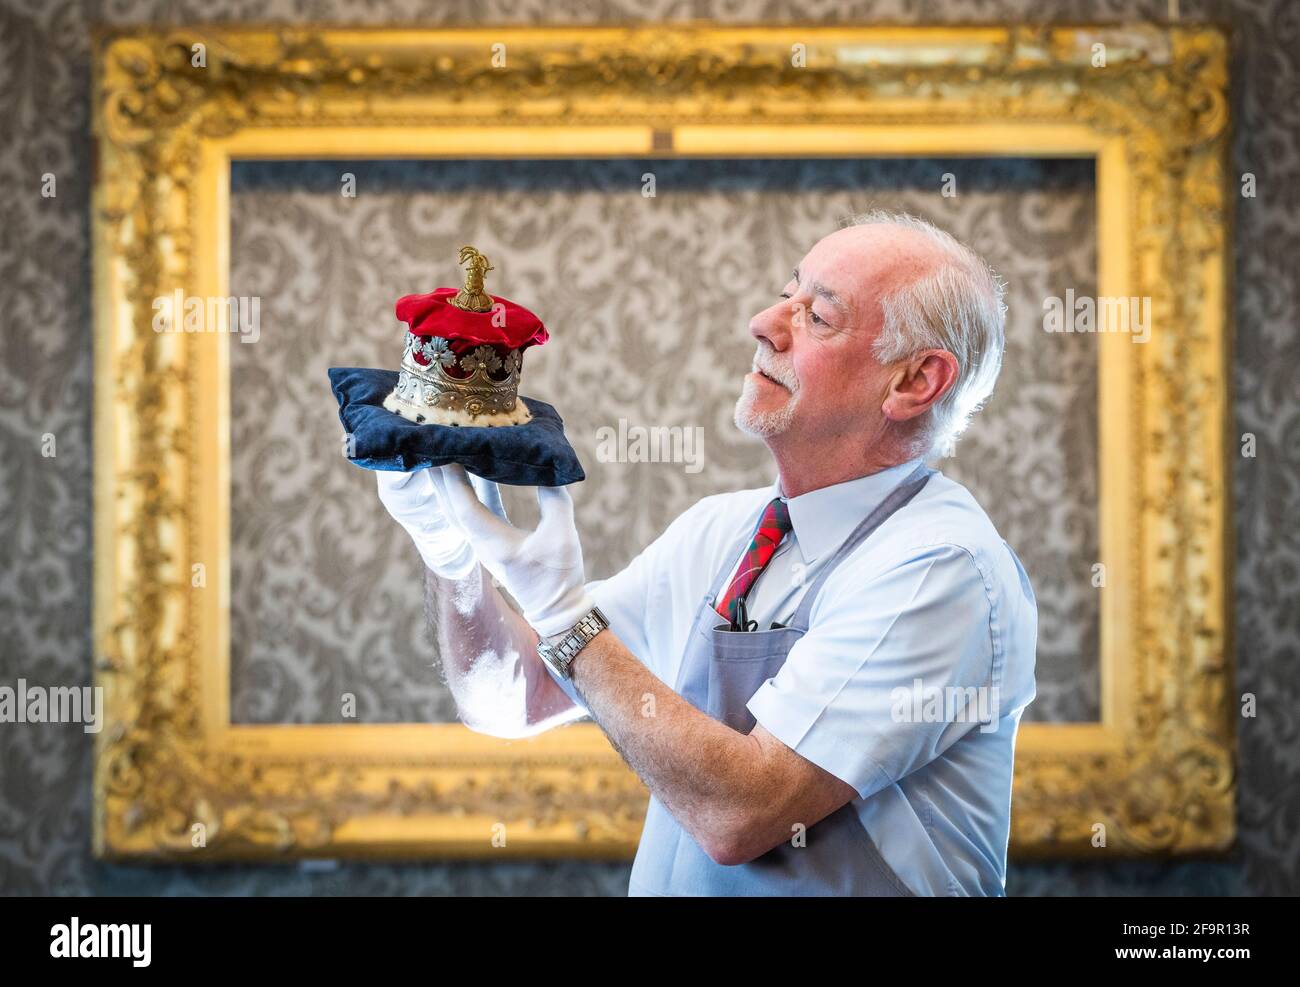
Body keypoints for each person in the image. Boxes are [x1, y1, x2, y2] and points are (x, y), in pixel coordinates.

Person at [377, 209, 1038, 896]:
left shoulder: (941, 567)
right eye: (787, 293)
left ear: (915, 381)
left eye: (817, 316)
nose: (764, 322)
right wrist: (452, 556)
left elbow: (745, 811)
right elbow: (511, 699)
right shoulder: (723, 532)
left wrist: (565, 614)